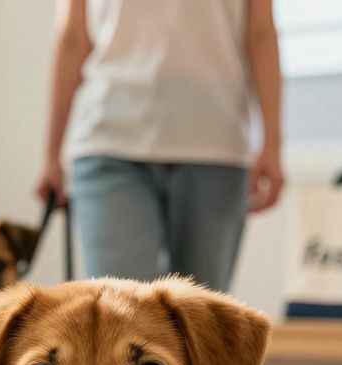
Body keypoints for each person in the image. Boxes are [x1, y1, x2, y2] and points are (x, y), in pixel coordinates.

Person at [37, 0, 284, 291]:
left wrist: (272, 143)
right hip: (108, 143)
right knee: (121, 315)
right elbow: (73, 37)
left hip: (215, 146)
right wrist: (50, 156)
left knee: (202, 324)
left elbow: (260, 33)